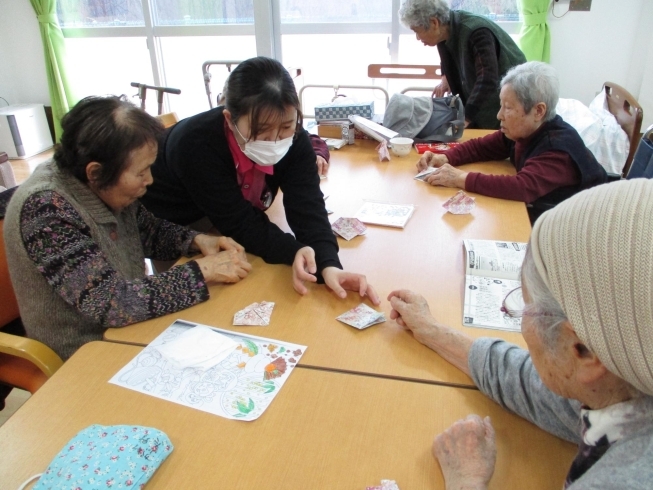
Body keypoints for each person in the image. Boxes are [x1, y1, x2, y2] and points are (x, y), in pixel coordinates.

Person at [388, 179, 653, 489]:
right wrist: (431, 331)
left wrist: (466, 481)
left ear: (583, 351)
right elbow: (537, 388)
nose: (522, 323)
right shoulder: (627, 374)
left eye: (525, 306)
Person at [3, 96, 252, 360]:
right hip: (85, 352)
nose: (150, 180)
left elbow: (146, 230)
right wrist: (203, 270)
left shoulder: (104, 183)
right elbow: (112, 303)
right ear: (95, 173)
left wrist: (197, 240)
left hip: (129, 328)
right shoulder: (46, 209)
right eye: (141, 172)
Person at [140, 56, 379, 305]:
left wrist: (328, 264)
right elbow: (239, 222)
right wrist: (294, 250)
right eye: (262, 130)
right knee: (190, 301)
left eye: (286, 125)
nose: (275, 139)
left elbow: (307, 205)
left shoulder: (295, 139)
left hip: (224, 213)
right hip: (173, 218)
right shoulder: (195, 144)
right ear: (229, 119)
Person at [417, 61, 608, 223]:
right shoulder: (525, 130)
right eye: (501, 105)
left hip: (580, 221)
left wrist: (460, 178)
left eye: (508, 108)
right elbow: (482, 147)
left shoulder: (557, 150)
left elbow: (522, 187)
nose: (499, 115)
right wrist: (445, 157)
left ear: (538, 111)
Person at [399, 0, 526, 129]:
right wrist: (445, 77)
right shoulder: (444, 32)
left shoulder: (477, 32)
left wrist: (466, 118)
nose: (417, 38)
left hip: (510, 99)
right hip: (485, 99)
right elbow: (447, 59)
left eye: (416, 31)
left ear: (434, 23)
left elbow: (487, 79)